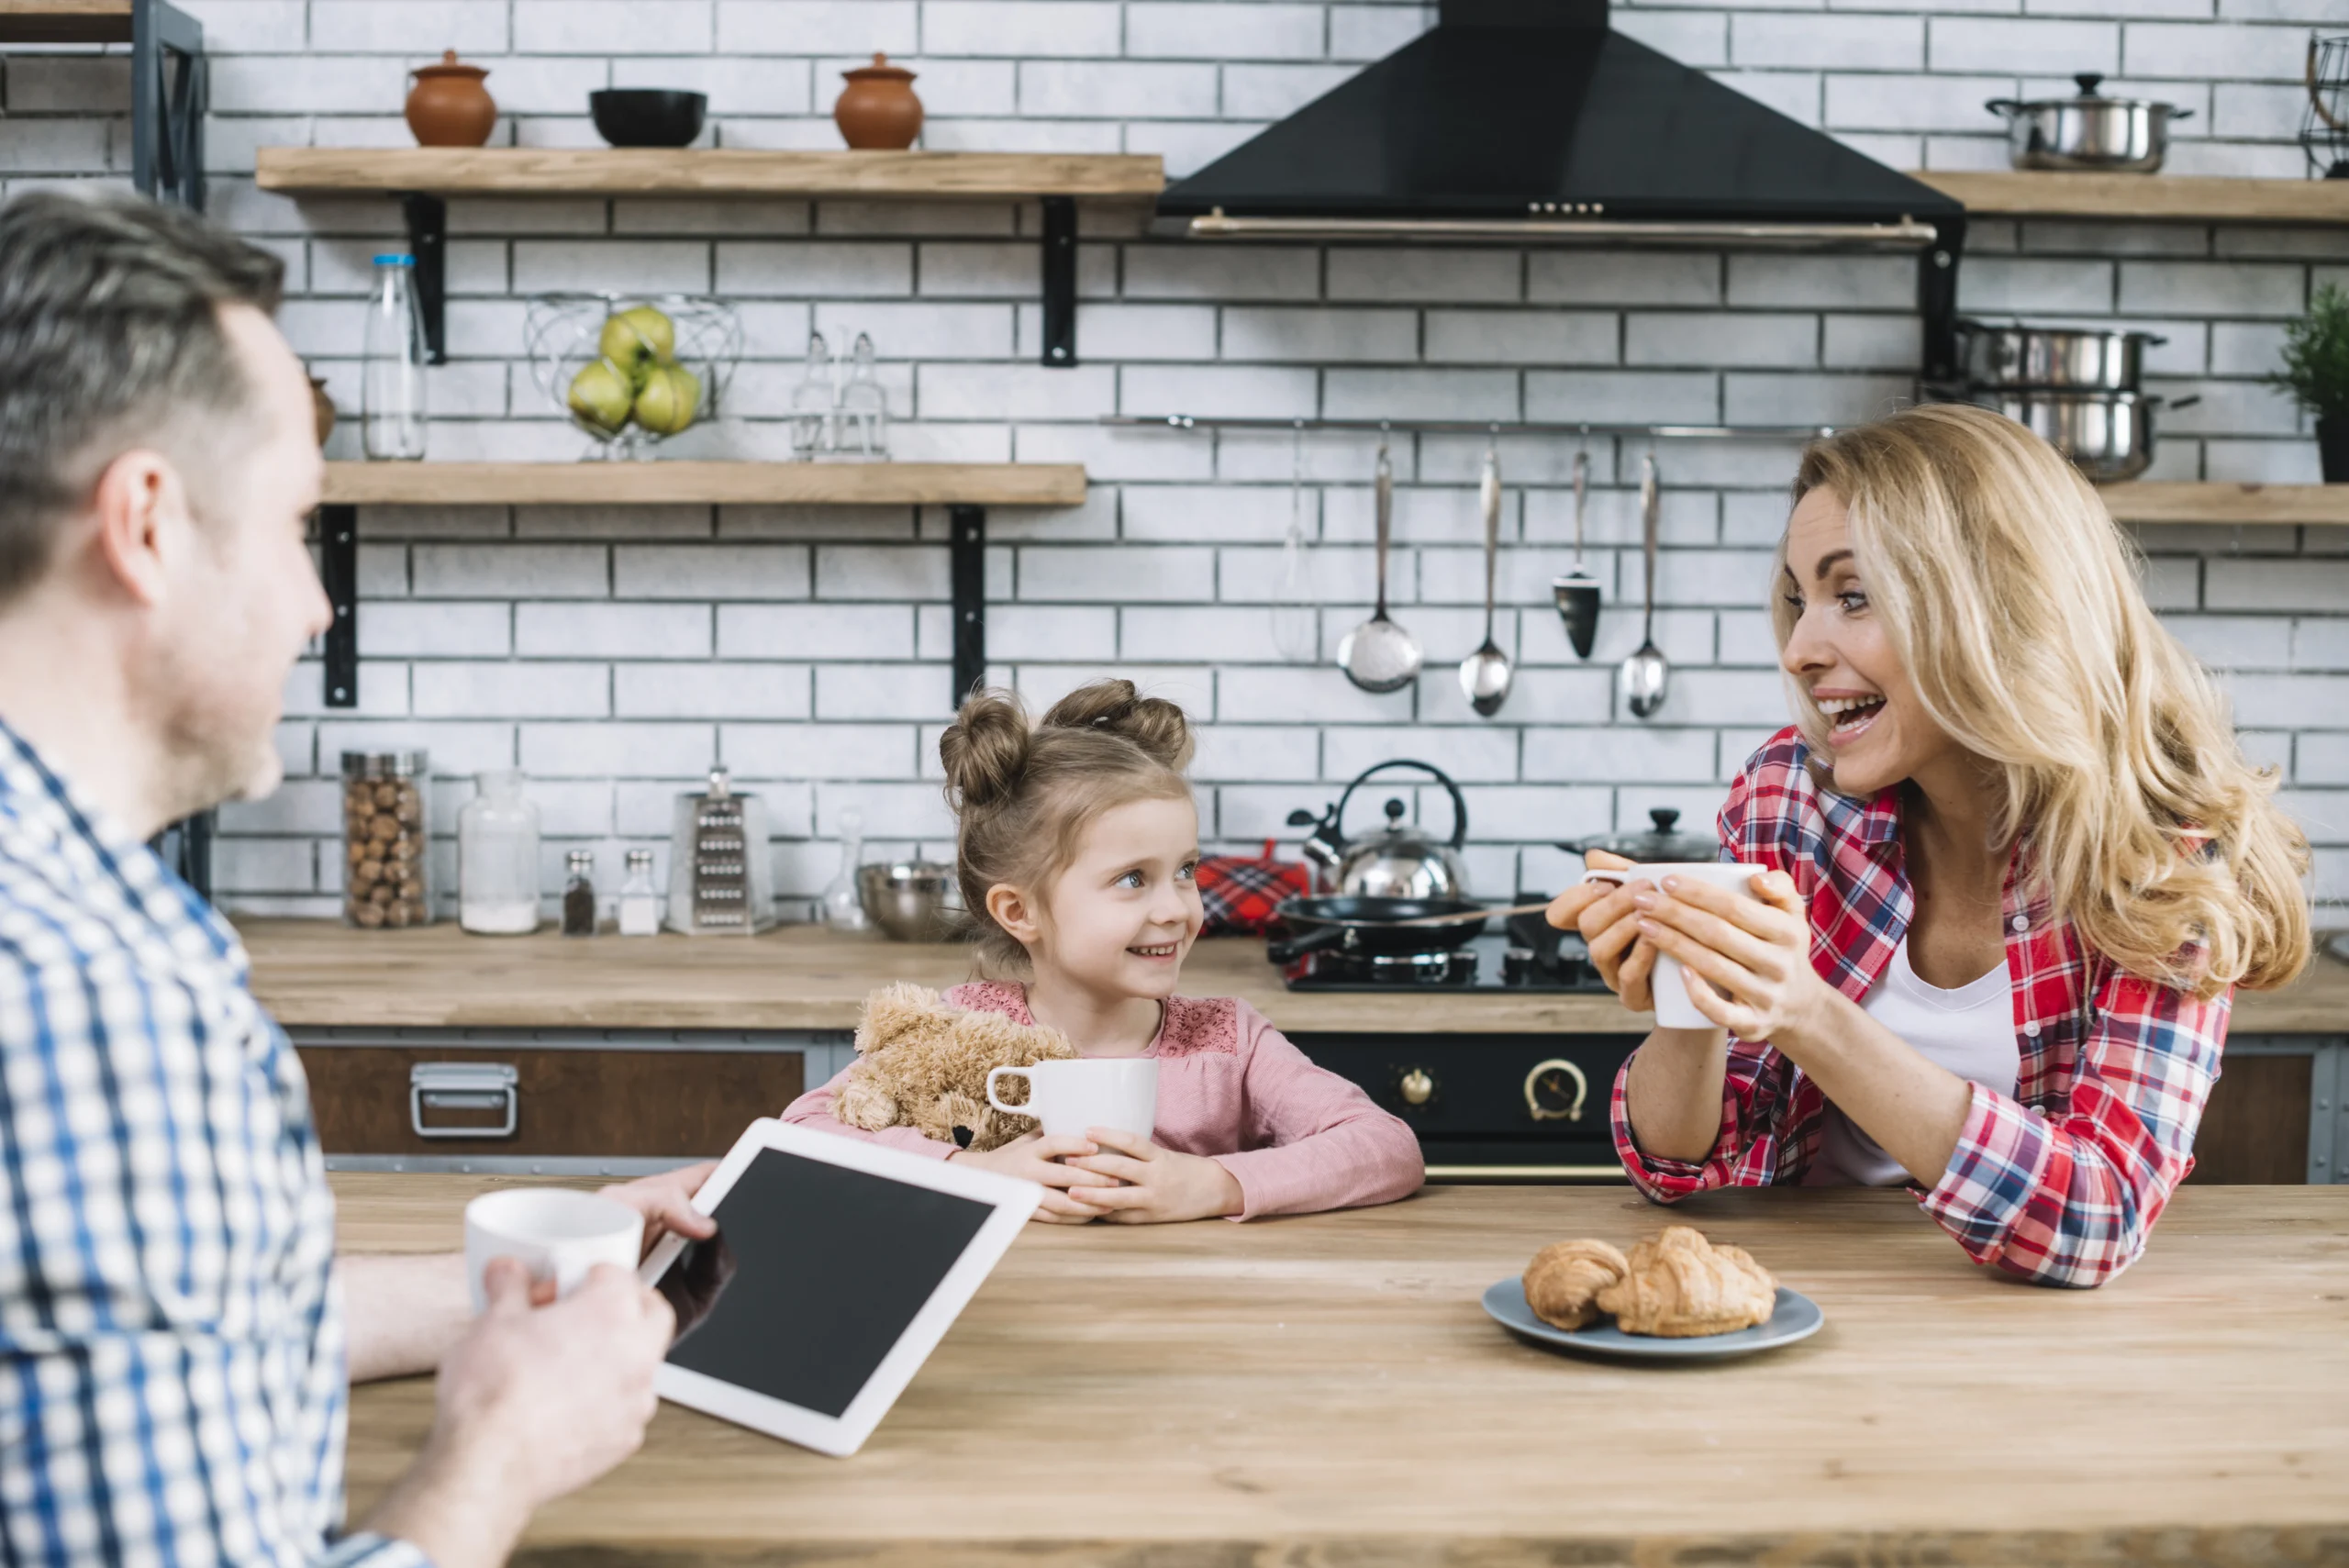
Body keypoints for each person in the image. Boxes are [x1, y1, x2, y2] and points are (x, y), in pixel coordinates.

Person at [0, 189, 718, 1568]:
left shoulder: (86, 920)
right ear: (147, 525)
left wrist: (522, 1304)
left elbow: (138, 1328)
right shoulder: (83, 1005)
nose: (315, 602)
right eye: (294, 524)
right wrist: (493, 1464)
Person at [1546, 403, 2310, 1288]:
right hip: (1796, 1296)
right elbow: (1677, 1166)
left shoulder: (2161, 862)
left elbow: (2095, 1218)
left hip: (2025, 1347)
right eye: (1801, 598)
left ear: (1997, 604)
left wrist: (1806, 1011)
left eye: (1854, 595)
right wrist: (1692, 990)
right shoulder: (1790, 794)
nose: (1798, 648)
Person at [784, 680, 1424, 1222]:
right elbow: (802, 1133)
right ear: (1020, 911)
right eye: (1132, 879)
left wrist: (1212, 1184)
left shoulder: (1231, 1041)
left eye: (1186, 869)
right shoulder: (958, 1029)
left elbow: (1387, 1147)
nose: (1177, 906)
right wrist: (975, 1170)